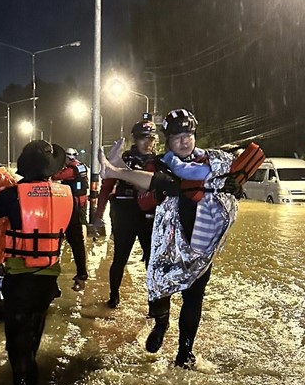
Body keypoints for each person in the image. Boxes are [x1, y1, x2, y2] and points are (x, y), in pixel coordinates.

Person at [100, 109, 246, 368]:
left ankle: (185, 351)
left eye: (188, 134)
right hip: (167, 242)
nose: (184, 141)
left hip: (199, 242)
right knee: (160, 288)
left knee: (194, 297)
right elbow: (144, 202)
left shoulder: (210, 163)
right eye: (177, 136)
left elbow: (229, 193)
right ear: (167, 140)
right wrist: (162, 192)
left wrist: (234, 187)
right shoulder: (157, 165)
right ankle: (161, 323)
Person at [0, 140, 73, 385]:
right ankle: (31, 373)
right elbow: (76, 238)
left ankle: (22, 381)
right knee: (35, 326)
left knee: (16, 334)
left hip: (19, 276)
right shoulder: (65, 194)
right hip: (48, 277)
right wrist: (81, 272)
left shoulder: (11, 194)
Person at [92, 116, 159, 308]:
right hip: (124, 215)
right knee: (119, 258)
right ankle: (113, 297)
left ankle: (154, 303)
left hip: (148, 216)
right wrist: (98, 217)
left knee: (151, 262)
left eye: (152, 138)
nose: (148, 143)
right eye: (143, 138)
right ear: (135, 139)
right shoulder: (122, 159)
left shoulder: (158, 162)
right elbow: (106, 188)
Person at [52, 147, 89, 291]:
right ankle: (81, 275)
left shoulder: (71, 170)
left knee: (74, 240)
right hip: (79, 204)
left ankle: (81, 274)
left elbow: (56, 176)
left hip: (73, 206)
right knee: (77, 240)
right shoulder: (81, 166)